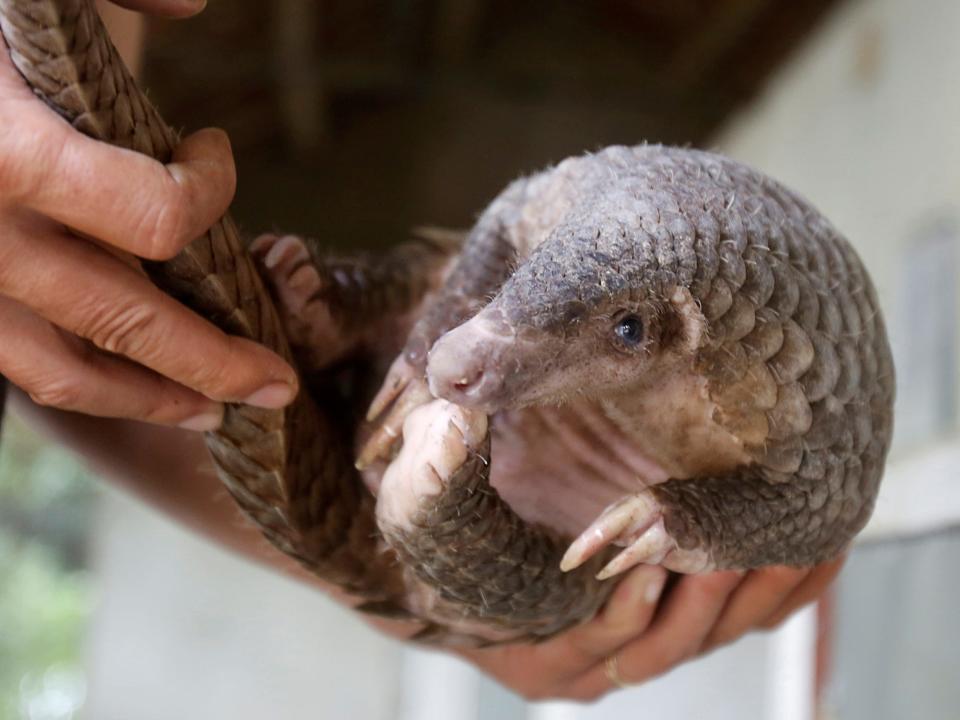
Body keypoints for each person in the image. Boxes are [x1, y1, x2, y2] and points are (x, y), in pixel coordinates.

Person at [0, 0, 843, 701]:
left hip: (569, 514)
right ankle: (354, 351)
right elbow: (64, 351)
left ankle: (414, 494)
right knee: (445, 290)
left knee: (514, 550)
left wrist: (386, 572)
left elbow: (79, 351)